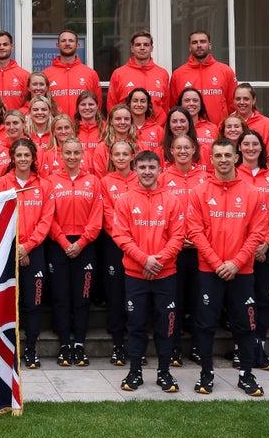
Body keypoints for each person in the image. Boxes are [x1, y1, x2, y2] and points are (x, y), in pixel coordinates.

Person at [186, 139, 267, 397]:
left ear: (236, 158)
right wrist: (216, 262)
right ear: (211, 159)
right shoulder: (199, 192)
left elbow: (257, 233)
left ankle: (246, 375)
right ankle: (206, 374)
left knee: (245, 324)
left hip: (241, 271)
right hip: (209, 270)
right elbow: (195, 231)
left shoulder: (252, 192)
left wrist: (235, 262)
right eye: (218, 155)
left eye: (227, 155)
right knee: (206, 324)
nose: (223, 160)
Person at [113, 150, 185, 393]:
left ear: (159, 170)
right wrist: (145, 260)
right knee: (136, 324)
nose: (147, 172)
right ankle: (135, 372)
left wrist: (158, 261)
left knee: (166, 325)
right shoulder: (124, 200)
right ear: (135, 169)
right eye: (142, 167)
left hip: (166, 274)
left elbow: (178, 236)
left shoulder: (172, 200)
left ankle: (164, 372)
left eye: (151, 167)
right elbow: (121, 236)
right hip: (136, 274)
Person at [0, 138, 53, 369]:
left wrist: (27, 246)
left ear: (33, 158)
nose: (23, 159)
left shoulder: (44, 186)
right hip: (7, 251)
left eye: (27, 155)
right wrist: (17, 247)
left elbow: (46, 221)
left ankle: (31, 349)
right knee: (9, 304)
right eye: (19, 155)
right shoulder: (0, 184)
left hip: (34, 252)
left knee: (33, 303)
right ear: (12, 158)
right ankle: (9, 351)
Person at [47, 137, 103, 367]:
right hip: (58, 245)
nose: (72, 157)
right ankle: (64, 344)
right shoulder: (50, 181)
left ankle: (79, 343)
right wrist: (63, 241)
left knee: (82, 297)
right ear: (61, 154)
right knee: (61, 297)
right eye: (67, 153)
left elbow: (97, 218)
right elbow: (48, 216)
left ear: (82, 155)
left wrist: (81, 242)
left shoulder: (93, 181)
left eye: (76, 153)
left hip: (85, 246)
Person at [238, 130, 269, 371]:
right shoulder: (233, 175)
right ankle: (242, 348)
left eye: (254, 144)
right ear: (239, 148)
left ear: (261, 148)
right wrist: (249, 245)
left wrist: (266, 242)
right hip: (240, 248)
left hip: (268, 247)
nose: (250, 148)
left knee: (265, 299)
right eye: (245, 144)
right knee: (241, 300)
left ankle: (260, 346)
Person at [159, 134, 206, 366]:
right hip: (173, 250)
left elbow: (209, 214)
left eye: (187, 147)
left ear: (194, 149)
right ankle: (174, 347)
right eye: (178, 148)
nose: (183, 151)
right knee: (173, 301)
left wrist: (197, 238)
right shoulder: (163, 178)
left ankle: (197, 346)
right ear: (171, 151)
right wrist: (176, 240)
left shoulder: (205, 178)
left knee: (199, 301)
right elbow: (158, 212)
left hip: (199, 249)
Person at [99, 140, 138, 366]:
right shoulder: (105, 182)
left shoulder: (140, 178)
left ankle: (136, 345)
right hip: (114, 244)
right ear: (111, 157)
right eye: (117, 154)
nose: (121, 158)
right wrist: (123, 239)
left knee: (135, 295)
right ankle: (117, 344)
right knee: (115, 294)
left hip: (139, 245)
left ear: (132, 156)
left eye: (125, 154)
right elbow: (107, 214)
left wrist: (134, 240)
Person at [170, 31, 237, 125]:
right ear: (189, 47)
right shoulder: (178, 74)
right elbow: (174, 106)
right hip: (189, 130)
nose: (199, 45)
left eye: (202, 41)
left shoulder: (225, 71)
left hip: (219, 129)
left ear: (210, 45)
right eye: (194, 42)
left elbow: (232, 105)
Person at [107, 31, 170, 123]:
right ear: (132, 48)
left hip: (156, 129)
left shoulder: (162, 74)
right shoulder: (119, 74)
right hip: (127, 128)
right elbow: (112, 106)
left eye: (146, 45)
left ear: (151, 48)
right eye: (138, 45)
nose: (142, 48)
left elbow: (166, 106)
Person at [42, 29, 100, 118]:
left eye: (71, 41)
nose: (67, 43)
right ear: (58, 45)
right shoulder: (46, 74)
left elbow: (98, 103)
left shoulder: (90, 74)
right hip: (55, 125)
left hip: (82, 125)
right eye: (63, 41)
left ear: (77, 45)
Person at [233, 83, 269, 169]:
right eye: (238, 99)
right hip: (234, 175)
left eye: (246, 99)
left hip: (260, 173)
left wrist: (263, 174)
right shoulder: (226, 123)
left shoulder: (267, 124)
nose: (242, 102)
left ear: (253, 100)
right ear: (233, 101)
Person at [0, 30, 30, 110]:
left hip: (16, 118)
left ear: (11, 46)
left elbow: (30, 102)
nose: (2, 47)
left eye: (5, 44)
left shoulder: (25, 75)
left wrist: (19, 114)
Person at [127, 88, 163, 155]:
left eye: (143, 101)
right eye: (135, 101)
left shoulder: (158, 130)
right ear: (129, 104)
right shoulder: (124, 128)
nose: (139, 104)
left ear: (148, 104)